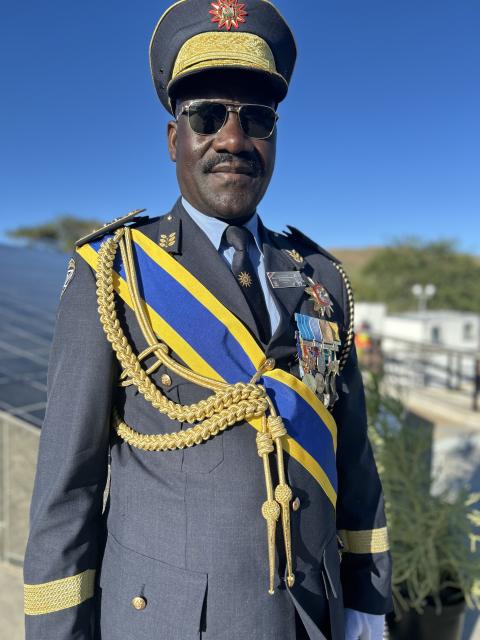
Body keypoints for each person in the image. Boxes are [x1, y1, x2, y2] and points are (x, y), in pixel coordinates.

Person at [23, 1, 392, 638]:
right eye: (207, 116)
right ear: (175, 139)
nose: (233, 139)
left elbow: (352, 457)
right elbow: (67, 489)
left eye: (257, 119)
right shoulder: (116, 274)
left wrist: (366, 600)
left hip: (313, 616)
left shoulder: (320, 278)